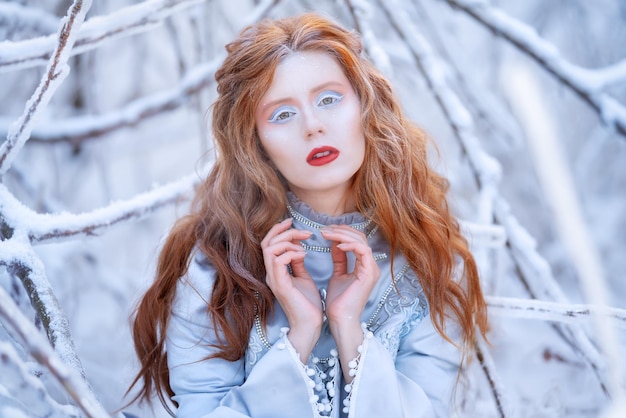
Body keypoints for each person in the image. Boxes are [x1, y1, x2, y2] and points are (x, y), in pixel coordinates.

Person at [128, 12, 488, 418]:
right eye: (282, 114)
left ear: (367, 107)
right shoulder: (215, 273)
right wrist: (299, 337)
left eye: (329, 99)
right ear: (256, 143)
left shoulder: (428, 259)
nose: (313, 126)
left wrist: (348, 325)